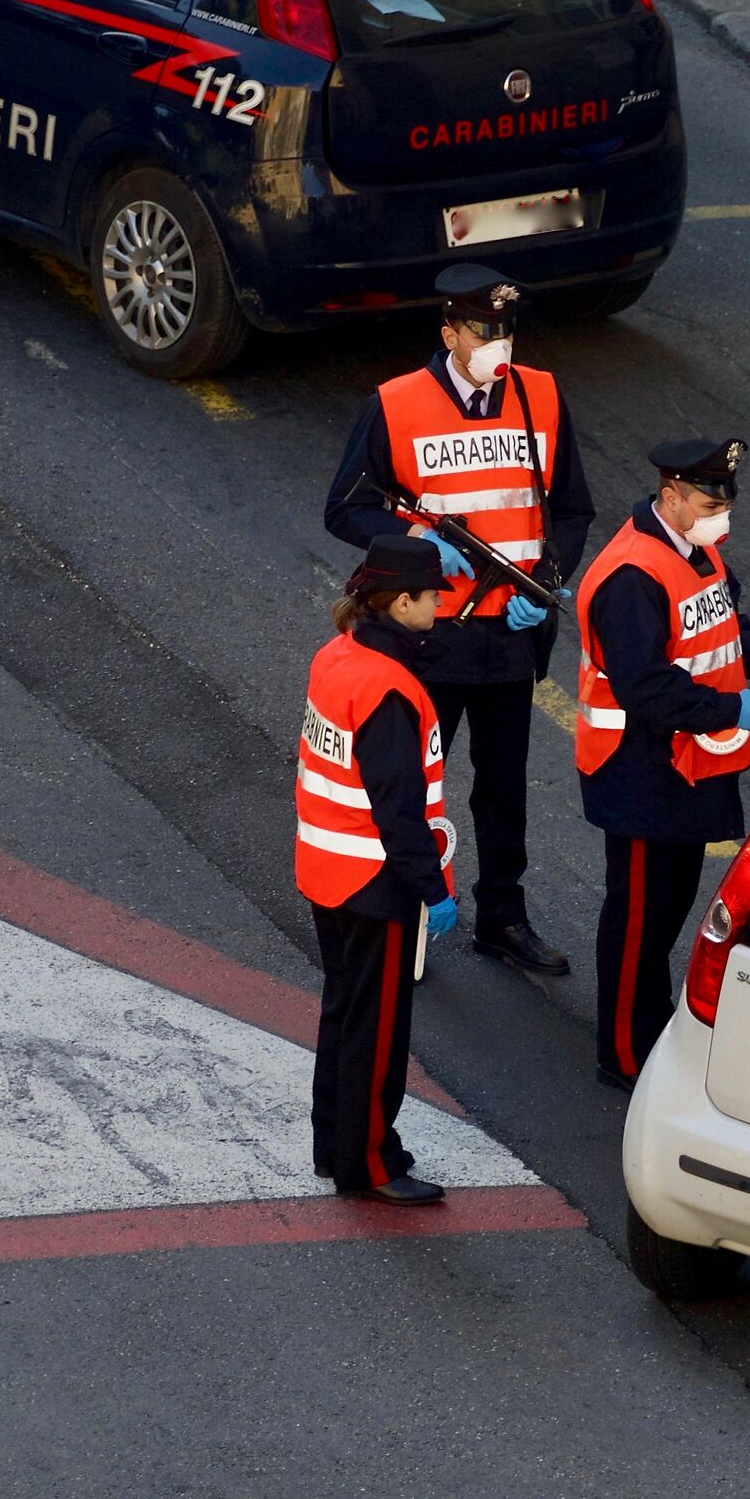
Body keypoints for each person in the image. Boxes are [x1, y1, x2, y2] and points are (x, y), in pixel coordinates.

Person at [324, 264, 594, 980]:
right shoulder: (398, 403)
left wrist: (548, 577)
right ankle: (404, 908)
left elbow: (570, 511)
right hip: (431, 633)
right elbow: (346, 507)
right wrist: (418, 545)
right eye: (483, 330)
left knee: (502, 788)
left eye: (507, 329)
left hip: (509, 635)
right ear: (449, 332)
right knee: (413, 780)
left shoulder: (541, 395)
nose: (498, 344)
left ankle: (502, 918)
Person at [574, 438, 750, 1089]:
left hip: (684, 767)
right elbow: (645, 685)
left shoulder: (695, 547)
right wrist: (725, 710)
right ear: (671, 497)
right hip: (638, 767)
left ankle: (645, 1028)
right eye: (709, 504)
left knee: (669, 905)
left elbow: (721, 620)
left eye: (724, 504)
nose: (722, 518)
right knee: (637, 918)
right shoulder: (631, 576)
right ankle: (623, 1054)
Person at [293, 537, 463, 1205]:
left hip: (327, 867)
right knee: (379, 1031)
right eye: (432, 596)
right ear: (400, 602)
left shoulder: (339, 657)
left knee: (343, 1013)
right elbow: (400, 810)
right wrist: (435, 889)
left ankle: (334, 1145)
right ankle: (370, 1164)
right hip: (375, 880)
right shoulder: (390, 689)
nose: (440, 606)